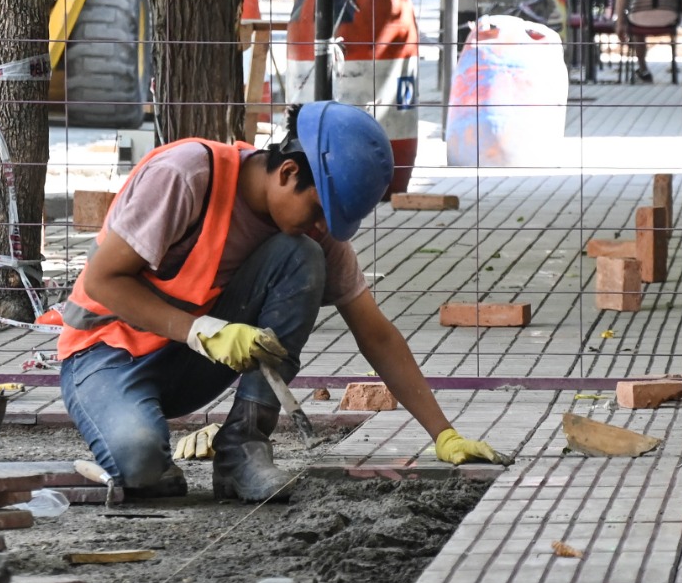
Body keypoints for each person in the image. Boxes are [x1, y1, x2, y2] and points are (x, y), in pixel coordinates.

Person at [57, 101, 512, 504]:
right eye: (318, 211)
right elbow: (102, 282)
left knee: (302, 257)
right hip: (104, 355)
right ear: (289, 172)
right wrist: (201, 331)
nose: (322, 226)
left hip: (187, 361)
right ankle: (145, 454)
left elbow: (375, 332)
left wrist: (444, 434)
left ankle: (242, 449)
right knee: (139, 466)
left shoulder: (312, 236)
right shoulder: (187, 176)